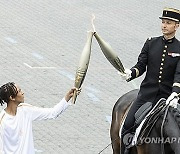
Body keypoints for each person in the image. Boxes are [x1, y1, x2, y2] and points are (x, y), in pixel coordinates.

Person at [120, 7, 180, 154]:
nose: (164, 25)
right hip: (147, 95)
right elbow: (141, 65)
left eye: (168, 23)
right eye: (163, 22)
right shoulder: (151, 43)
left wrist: (175, 93)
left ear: (176, 26)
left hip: (168, 97)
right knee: (127, 126)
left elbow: (179, 74)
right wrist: (131, 73)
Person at [0, 82, 80, 154]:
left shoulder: (25, 110)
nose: (23, 92)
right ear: (12, 98)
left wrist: (67, 97)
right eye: (19, 91)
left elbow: (52, 113)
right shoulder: (3, 122)